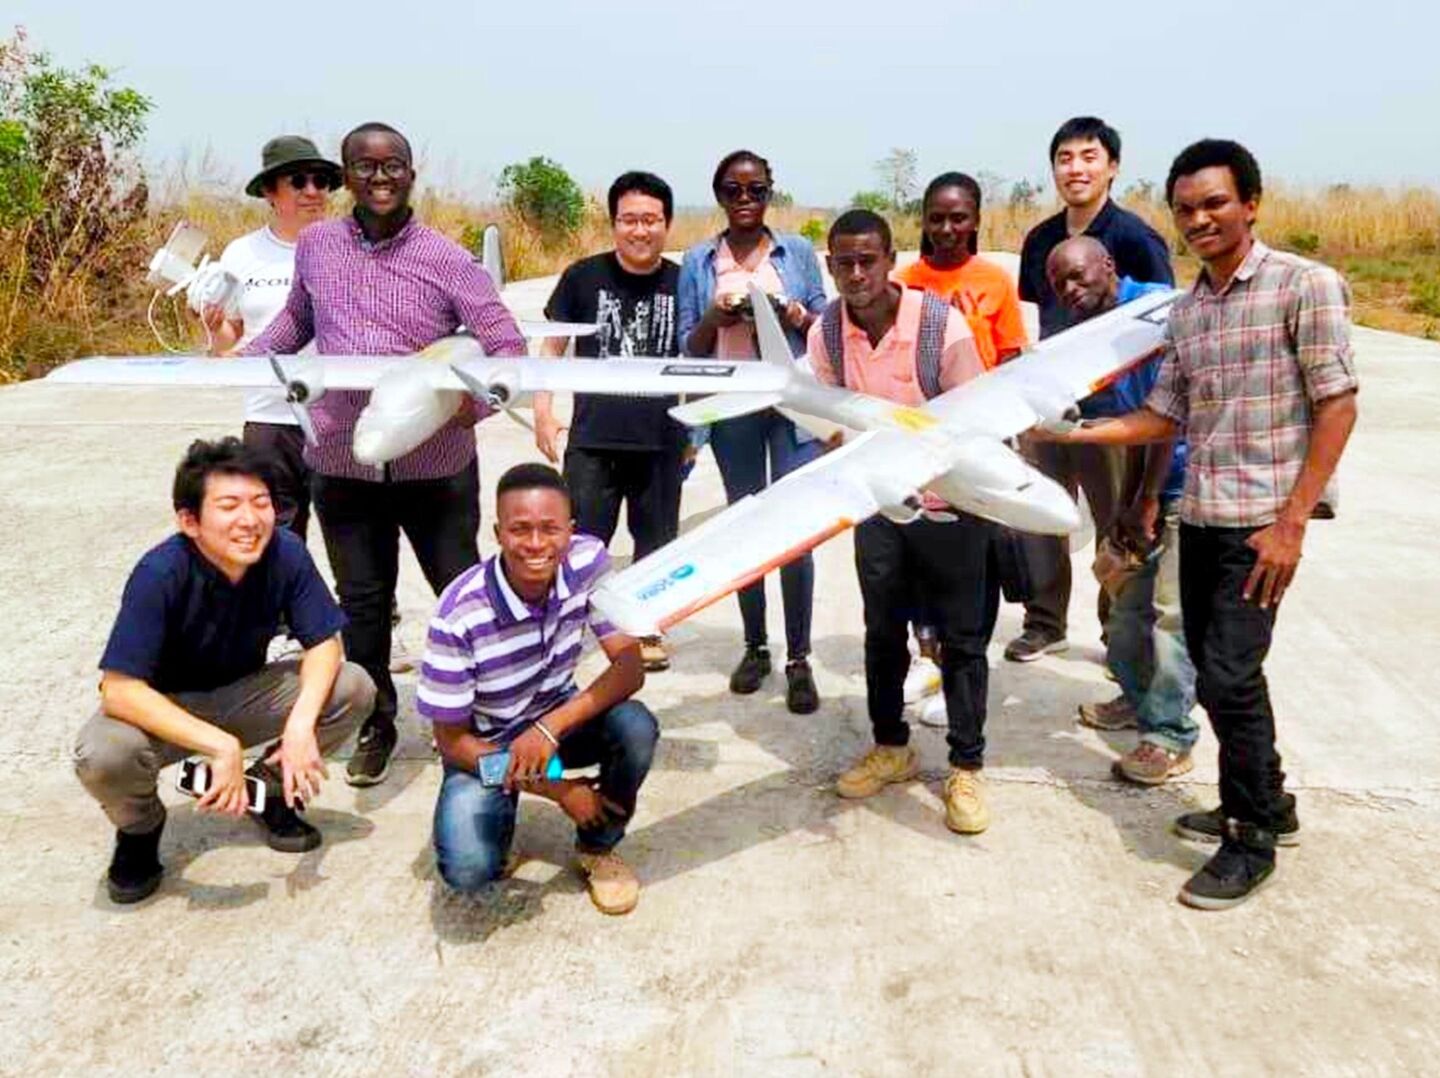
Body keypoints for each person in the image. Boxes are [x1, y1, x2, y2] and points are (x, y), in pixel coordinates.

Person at [1038, 140, 1358, 909]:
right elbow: (1162, 416)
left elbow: (1338, 404)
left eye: (1214, 203)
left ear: (1251, 202)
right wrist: (1070, 434)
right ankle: (1269, 803)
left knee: (1228, 676)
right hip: (1205, 516)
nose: (1199, 219)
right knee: (1227, 678)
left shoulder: (1303, 286)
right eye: (1186, 209)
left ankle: (1248, 839)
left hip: (1262, 526)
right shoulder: (1190, 312)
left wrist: (1292, 525)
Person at [242, 122, 527, 788]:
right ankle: (378, 721)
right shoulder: (315, 247)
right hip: (342, 458)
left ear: (410, 172)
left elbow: (506, 346)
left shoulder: (447, 257)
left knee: (463, 595)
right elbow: (296, 323)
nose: (379, 177)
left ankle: (484, 716)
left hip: (437, 466)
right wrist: (243, 359)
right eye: (364, 167)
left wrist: (472, 407)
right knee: (362, 603)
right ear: (346, 175)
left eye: (391, 165)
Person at [73, 438, 376, 904]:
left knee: (352, 687)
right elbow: (119, 690)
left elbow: (323, 643)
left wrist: (299, 727)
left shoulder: (285, 552)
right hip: (165, 709)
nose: (250, 520)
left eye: (261, 503)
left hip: (242, 694)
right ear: (190, 521)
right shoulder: (160, 574)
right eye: (229, 505)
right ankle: (139, 831)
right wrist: (220, 745)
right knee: (103, 754)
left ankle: (271, 791)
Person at [806, 210, 996, 834]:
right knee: (882, 632)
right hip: (882, 509)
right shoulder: (827, 334)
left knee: (963, 639)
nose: (856, 274)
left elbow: (974, 426)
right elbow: (831, 421)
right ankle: (892, 746)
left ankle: (966, 766)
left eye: (868, 260)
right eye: (843, 263)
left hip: (950, 507)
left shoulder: (941, 325)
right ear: (829, 266)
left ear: (891, 259)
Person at [419, 463, 659, 916]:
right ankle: (504, 807)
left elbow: (630, 668)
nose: (535, 544)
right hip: (484, 745)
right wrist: (562, 791)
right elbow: (452, 743)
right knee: (469, 869)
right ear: (497, 532)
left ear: (570, 531)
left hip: (556, 719)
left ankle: (598, 846)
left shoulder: (587, 562)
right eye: (520, 529)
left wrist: (548, 730)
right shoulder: (458, 614)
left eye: (550, 529)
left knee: (635, 726)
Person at [1009, 116, 1175, 663]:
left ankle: (1116, 632)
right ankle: (1044, 620)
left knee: (1117, 524)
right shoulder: (1040, 240)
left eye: (1088, 156)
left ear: (1112, 167)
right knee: (1041, 516)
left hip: (1116, 412)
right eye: (1064, 158)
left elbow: (1162, 325)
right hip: (1052, 401)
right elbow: (1040, 321)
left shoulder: (1134, 238)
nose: (1075, 168)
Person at [677, 150, 829, 713]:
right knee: (745, 524)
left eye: (756, 190)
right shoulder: (699, 260)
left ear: (771, 193)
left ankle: (799, 657)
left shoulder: (798, 253)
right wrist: (718, 317)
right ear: (719, 195)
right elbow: (688, 347)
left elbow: (824, 330)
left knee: (794, 530)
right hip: (734, 402)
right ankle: (755, 647)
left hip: (790, 402)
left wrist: (786, 311)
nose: (745, 200)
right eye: (734, 191)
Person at [1045, 236, 1199, 784]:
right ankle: (1138, 700)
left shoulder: (1157, 310)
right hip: (1150, 481)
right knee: (1126, 608)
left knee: (1170, 617)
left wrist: (1149, 502)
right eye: (1059, 283)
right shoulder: (1098, 333)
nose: (1069, 290)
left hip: (1190, 483)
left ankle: (1169, 736)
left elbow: (1167, 421)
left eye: (1078, 277)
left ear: (1108, 266)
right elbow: (1133, 427)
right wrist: (1128, 511)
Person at [533, 171, 684, 674]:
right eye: (629, 220)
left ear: (667, 224)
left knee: (655, 542)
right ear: (614, 223)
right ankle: (564, 630)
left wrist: (697, 432)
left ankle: (645, 629)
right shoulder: (582, 277)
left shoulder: (683, 281)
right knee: (578, 542)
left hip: (662, 437)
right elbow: (553, 343)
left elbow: (703, 354)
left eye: (650, 220)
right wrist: (542, 408)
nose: (640, 231)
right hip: (594, 438)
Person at [895, 171, 1029, 723]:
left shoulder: (995, 282)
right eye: (936, 218)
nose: (947, 228)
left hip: (976, 440)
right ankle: (925, 654)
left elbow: (1013, 359)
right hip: (917, 440)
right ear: (922, 221)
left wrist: (1009, 433)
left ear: (976, 220)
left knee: (972, 561)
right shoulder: (905, 280)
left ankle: (961, 665)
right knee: (916, 553)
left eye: (959, 218)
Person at [206, 135, 341, 543]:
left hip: (340, 417)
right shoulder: (241, 254)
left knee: (353, 535)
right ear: (270, 192)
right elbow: (231, 338)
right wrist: (215, 330)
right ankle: (277, 608)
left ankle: (367, 610)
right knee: (276, 537)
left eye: (321, 181)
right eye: (298, 181)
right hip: (270, 420)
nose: (312, 192)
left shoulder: (352, 247)